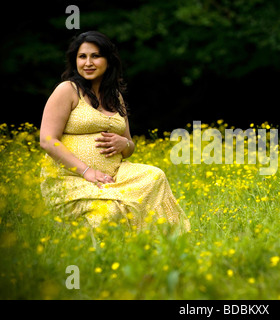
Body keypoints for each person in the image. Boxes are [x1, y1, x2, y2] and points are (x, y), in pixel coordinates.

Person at [39, 31, 190, 233]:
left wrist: (124, 144)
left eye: (96, 56)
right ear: (75, 61)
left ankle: (166, 239)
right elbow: (48, 141)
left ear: (108, 60)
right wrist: (87, 171)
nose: (88, 62)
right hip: (72, 178)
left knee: (156, 175)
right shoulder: (67, 90)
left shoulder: (114, 97)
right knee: (109, 213)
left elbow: (129, 146)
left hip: (116, 175)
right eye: (82, 57)